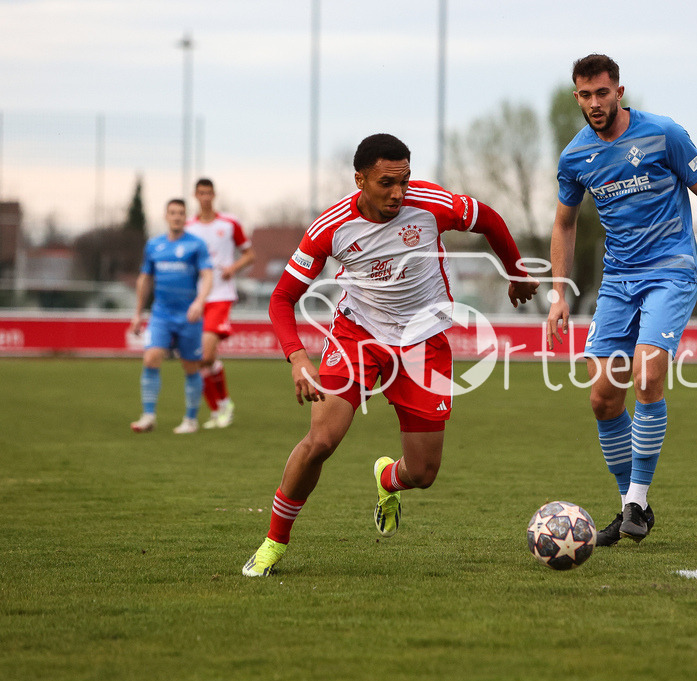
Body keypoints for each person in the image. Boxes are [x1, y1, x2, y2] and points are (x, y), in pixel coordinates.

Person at [243, 133, 538, 577]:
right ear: (360, 179)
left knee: (422, 473)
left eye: (404, 180)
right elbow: (283, 297)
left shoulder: (433, 203)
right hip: (357, 336)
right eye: (386, 182)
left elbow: (490, 219)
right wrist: (298, 357)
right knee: (321, 441)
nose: (398, 193)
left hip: (424, 342)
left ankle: (387, 479)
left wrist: (516, 274)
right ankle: (273, 543)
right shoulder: (331, 228)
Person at [546, 54, 697, 546]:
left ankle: (634, 501)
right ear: (576, 97)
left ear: (619, 91)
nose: (594, 103)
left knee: (648, 373)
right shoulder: (575, 156)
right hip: (618, 280)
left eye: (602, 93)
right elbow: (564, 223)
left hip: (671, 270)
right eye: (585, 95)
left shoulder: (663, 133)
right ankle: (634, 503)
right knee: (604, 398)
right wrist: (559, 292)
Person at [129, 198, 214, 434]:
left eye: (180, 213)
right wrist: (137, 313)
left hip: (189, 316)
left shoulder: (196, 245)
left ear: (186, 217)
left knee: (190, 366)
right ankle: (148, 416)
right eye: (172, 212)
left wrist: (199, 301)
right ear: (166, 216)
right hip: (161, 315)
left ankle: (191, 419)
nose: (176, 216)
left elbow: (208, 276)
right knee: (151, 357)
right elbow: (145, 279)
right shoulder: (154, 245)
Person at [186, 178, 255, 429]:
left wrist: (232, 268)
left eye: (208, 192)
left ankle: (224, 404)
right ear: (195, 195)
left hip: (221, 295)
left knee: (204, 354)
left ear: (214, 195)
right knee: (199, 358)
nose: (205, 197)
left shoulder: (229, 223)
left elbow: (250, 254)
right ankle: (217, 410)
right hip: (196, 298)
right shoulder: (188, 227)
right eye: (201, 193)